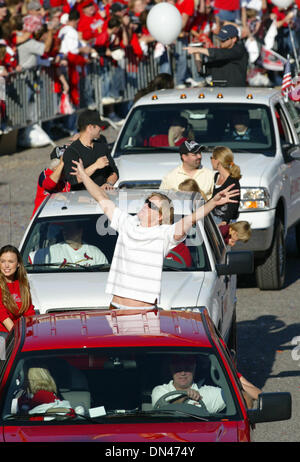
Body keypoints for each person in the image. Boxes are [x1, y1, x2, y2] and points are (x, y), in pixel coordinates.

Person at [70, 158, 239, 310]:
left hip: (144, 312)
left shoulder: (164, 234)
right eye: (146, 202)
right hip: (115, 307)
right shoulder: (127, 223)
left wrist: (213, 202)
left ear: (160, 216)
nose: (145, 206)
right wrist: (84, 175)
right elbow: (101, 197)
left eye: (151, 205)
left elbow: (190, 220)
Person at [62, 109, 119, 191]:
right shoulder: (72, 151)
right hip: (82, 200)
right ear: (90, 127)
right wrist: (96, 165)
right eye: (99, 126)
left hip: (103, 198)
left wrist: (108, 184)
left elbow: (114, 172)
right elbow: (73, 180)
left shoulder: (101, 146)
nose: (101, 129)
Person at [151, 355, 226, 413]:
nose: (183, 373)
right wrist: (185, 396)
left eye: (187, 368)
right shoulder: (160, 391)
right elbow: (162, 411)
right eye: (178, 369)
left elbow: (232, 394)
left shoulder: (209, 393)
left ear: (194, 368)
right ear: (171, 369)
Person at [184, 24, 248, 87]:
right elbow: (202, 71)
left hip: (235, 93)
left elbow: (221, 54)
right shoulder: (219, 53)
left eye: (224, 40)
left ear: (234, 39)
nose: (221, 42)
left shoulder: (239, 50)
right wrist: (196, 54)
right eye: (220, 39)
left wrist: (199, 50)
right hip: (218, 92)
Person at [29, 222, 108, 267]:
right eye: (64, 229)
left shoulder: (95, 252)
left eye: (69, 229)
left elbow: (105, 274)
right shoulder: (52, 250)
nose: (65, 231)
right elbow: (28, 258)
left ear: (80, 231)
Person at [0, 245, 35, 337]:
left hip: (20, 332)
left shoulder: (23, 284)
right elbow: (2, 315)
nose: (6, 265)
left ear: (18, 264)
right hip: (4, 333)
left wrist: (31, 332)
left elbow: (29, 312)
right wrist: (16, 335)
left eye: (11, 261)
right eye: (3, 261)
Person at [31, 143, 73, 218]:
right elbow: (49, 185)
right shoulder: (45, 174)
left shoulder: (69, 176)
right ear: (55, 167)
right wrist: (62, 164)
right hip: (45, 219)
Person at [210, 146, 241, 225]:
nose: (210, 160)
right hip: (213, 218)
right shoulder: (216, 176)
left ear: (217, 161)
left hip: (226, 222)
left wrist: (225, 221)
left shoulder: (232, 181)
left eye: (211, 157)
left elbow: (233, 204)